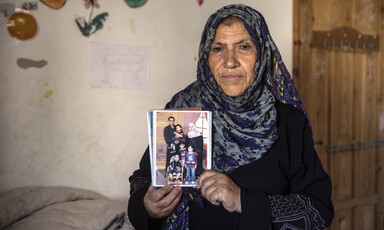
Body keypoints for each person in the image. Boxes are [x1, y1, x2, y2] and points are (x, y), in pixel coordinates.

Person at [128, 4, 334, 230]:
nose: (229, 61)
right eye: (218, 48)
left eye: (243, 47)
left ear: (262, 54)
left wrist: (242, 201)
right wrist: (148, 206)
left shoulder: (287, 123)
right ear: (206, 55)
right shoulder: (181, 111)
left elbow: (318, 210)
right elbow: (142, 180)